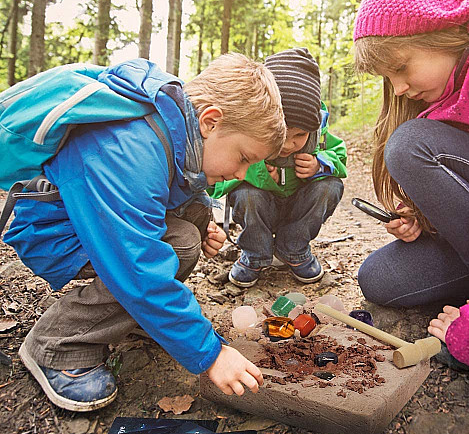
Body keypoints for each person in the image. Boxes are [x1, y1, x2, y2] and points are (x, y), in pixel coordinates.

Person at [3, 55, 286, 411]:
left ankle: (132, 316)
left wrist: (202, 222)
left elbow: (176, 188)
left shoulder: (170, 126)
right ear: (210, 122)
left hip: (80, 221)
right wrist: (210, 354)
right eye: (244, 157)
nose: (244, 174)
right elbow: (138, 267)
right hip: (51, 234)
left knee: (190, 227)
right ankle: (56, 343)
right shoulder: (128, 147)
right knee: (176, 247)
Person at [352, 0, 469, 372]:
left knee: (409, 145)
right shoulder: (449, 94)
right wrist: (425, 218)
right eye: (387, 78)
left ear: (441, 31)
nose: (399, 88)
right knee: (378, 279)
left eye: (400, 68)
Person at [210, 48, 347, 287]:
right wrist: (256, 172)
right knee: (246, 193)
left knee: (331, 186)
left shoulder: (319, 136)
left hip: (298, 210)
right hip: (262, 211)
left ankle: (293, 249)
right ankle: (255, 253)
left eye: (300, 135)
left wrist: (320, 165)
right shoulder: (247, 140)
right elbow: (217, 185)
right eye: (281, 133)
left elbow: (340, 157)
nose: (289, 144)